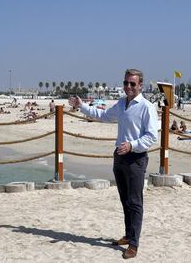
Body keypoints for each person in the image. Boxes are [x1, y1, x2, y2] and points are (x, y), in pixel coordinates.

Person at [69, 69, 158, 259]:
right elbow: (103, 116)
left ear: (140, 85)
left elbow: (152, 136)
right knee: (124, 199)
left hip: (136, 159)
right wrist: (81, 106)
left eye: (132, 84)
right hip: (119, 156)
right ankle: (128, 234)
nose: (128, 87)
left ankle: (134, 244)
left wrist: (132, 145)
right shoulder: (121, 103)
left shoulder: (146, 107)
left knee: (135, 202)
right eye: (126, 83)